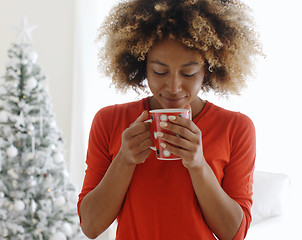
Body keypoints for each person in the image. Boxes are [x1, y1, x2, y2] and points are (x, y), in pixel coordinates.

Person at [77, 0, 263, 239]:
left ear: (209, 68)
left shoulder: (236, 128)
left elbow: (234, 233)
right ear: (142, 65)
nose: (174, 87)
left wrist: (198, 165)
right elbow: (90, 226)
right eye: (160, 72)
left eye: (189, 73)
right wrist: (124, 159)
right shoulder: (109, 121)